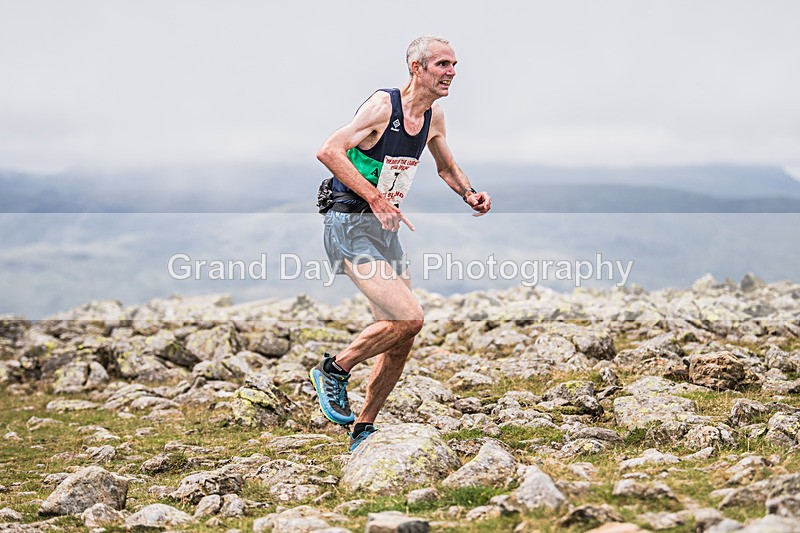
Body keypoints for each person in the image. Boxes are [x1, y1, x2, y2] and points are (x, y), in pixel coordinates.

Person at [309, 36, 491, 452]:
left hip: (384, 231)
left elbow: (446, 167)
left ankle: (363, 428)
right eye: (442, 64)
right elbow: (329, 151)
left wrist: (469, 193)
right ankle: (334, 369)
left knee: (401, 336)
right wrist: (376, 199)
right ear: (417, 68)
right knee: (410, 317)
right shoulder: (383, 106)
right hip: (349, 224)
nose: (452, 72)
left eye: (454, 64)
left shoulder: (432, 116)